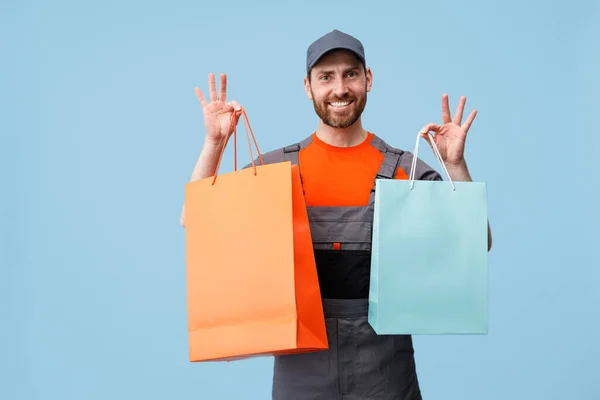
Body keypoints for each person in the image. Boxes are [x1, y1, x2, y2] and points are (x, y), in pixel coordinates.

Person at [181, 29, 492, 400]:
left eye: (350, 74)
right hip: (302, 367)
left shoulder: (401, 170)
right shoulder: (276, 170)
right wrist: (214, 145)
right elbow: (196, 220)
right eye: (325, 77)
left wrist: (455, 165)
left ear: (368, 80)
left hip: (385, 369)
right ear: (308, 87)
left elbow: (477, 243)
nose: (339, 88)